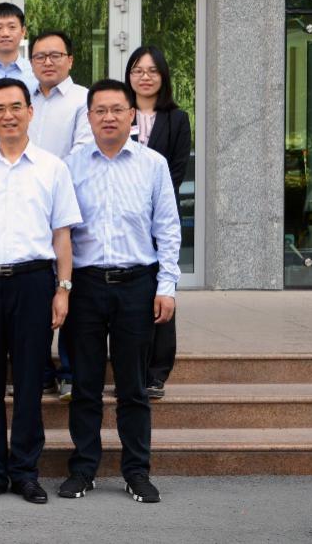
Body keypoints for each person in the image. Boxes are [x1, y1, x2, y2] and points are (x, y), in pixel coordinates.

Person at [0, 77, 81, 505]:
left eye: (15, 107)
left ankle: (25, 471)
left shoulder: (52, 168)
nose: (8, 116)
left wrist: (63, 289)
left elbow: (62, 235)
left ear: (30, 111)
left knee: (29, 381)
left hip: (34, 282)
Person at [60, 79, 180, 504]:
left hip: (136, 285)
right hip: (86, 286)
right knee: (85, 385)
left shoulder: (153, 165)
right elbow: (60, 233)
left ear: (132, 116)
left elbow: (168, 228)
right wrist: (62, 288)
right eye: (100, 110)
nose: (108, 117)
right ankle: (83, 469)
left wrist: (167, 286)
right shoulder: (70, 166)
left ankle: (136, 471)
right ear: (89, 117)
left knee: (133, 387)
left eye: (117, 110)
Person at [27, 30, 94, 402]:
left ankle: (69, 371)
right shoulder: (25, 99)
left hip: (70, 206)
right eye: (40, 56)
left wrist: (39, 179)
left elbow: (81, 152)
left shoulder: (84, 100)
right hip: (28, 210)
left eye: (55, 55)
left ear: (70, 59)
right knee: (36, 291)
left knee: (70, 289)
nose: (47, 62)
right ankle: (39, 371)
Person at [126, 45, 191, 400]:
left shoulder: (176, 119)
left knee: (163, 290)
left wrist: (153, 204)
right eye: (138, 70)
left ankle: (157, 372)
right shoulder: (120, 113)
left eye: (152, 70)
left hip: (161, 215)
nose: (145, 77)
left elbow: (177, 170)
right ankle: (131, 367)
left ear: (163, 76)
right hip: (126, 217)